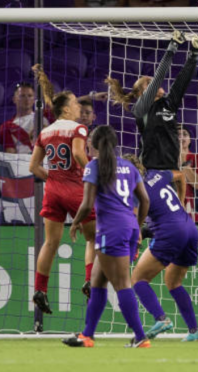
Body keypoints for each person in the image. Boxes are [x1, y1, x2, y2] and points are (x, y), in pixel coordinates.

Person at [63, 126, 151, 348]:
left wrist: (74, 223)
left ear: (93, 144)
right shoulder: (129, 166)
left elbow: (86, 204)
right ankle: (87, 335)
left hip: (110, 230)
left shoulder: (94, 166)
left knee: (122, 284)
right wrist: (137, 226)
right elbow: (145, 201)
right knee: (97, 281)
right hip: (128, 228)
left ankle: (140, 336)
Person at [29, 71, 96, 314]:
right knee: (93, 238)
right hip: (75, 189)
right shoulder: (77, 129)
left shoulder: (45, 132)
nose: (79, 106)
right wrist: (92, 171)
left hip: (53, 190)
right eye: (76, 103)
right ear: (66, 110)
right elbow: (78, 153)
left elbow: (33, 167)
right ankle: (90, 281)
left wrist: (54, 178)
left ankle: (40, 290)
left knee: (50, 243)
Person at [123, 153, 198, 342]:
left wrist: (134, 241)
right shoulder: (156, 175)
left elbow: (135, 221)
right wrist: (182, 204)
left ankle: (161, 319)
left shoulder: (134, 190)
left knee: (138, 278)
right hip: (189, 228)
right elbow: (181, 176)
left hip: (169, 232)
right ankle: (194, 331)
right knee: (173, 282)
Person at [106, 30, 198, 171]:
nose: (154, 82)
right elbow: (160, 76)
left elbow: (182, 81)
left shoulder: (168, 103)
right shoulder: (140, 109)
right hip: (149, 169)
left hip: (172, 168)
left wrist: (195, 53)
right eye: (149, 82)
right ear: (141, 93)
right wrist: (172, 47)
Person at [0, 82, 49, 154]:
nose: (27, 99)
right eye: (22, 96)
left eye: (30, 96)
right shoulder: (7, 126)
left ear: (34, 99)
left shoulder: (45, 115)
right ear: (14, 99)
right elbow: (10, 154)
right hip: (24, 162)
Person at [178, 124, 198, 223]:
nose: (181, 137)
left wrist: (183, 162)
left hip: (194, 214)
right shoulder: (166, 160)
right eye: (177, 135)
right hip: (172, 212)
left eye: (185, 134)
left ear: (190, 140)